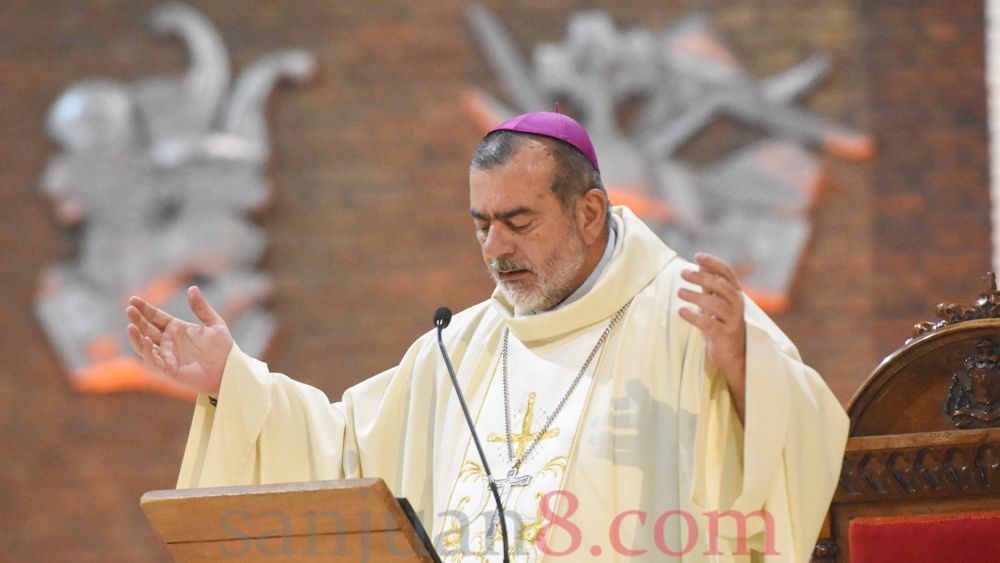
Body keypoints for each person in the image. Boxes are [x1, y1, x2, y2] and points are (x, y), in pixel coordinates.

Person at [127, 111, 848, 561]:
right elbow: (344, 449)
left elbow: (812, 441)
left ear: (590, 212)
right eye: (482, 223)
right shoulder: (460, 345)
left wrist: (745, 372)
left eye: (519, 221)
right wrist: (235, 381)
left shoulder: (689, 310)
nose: (496, 247)